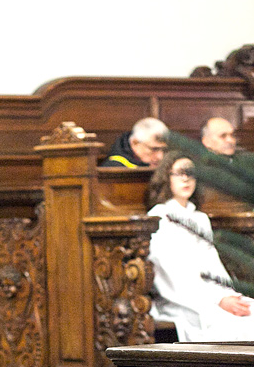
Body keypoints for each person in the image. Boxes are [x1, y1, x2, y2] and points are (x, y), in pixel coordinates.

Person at [147, 151, 254, 341]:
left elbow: (212, 262)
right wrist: (217, 300)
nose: (186, 179)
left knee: (250, 311)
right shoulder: (159, 217)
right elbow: (170, 272)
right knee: (228, 324)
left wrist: (226, 294)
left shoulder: (200, 218)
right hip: (181, 300)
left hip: (212, 292)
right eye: (179, 173)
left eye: (191, 173)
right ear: (166, 178)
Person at [100, 117, 168, 168]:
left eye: (164, 149)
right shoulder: (113, 168)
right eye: (154, 149)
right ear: (135, 143)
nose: (160, 156)